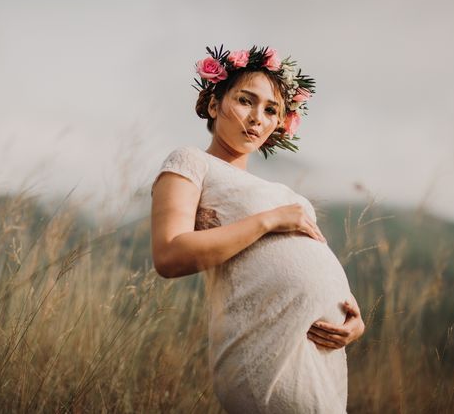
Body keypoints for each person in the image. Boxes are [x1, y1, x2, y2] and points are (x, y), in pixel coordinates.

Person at [150, 45, 365, 413]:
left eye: (271, 110)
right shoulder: (191, 161)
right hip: (266, 354)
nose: (257, 119)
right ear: (214, 104)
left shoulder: (281, 191)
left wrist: (352, 319)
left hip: (320, 359)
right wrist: (270, 220)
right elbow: (169, 255)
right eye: (246, 101)